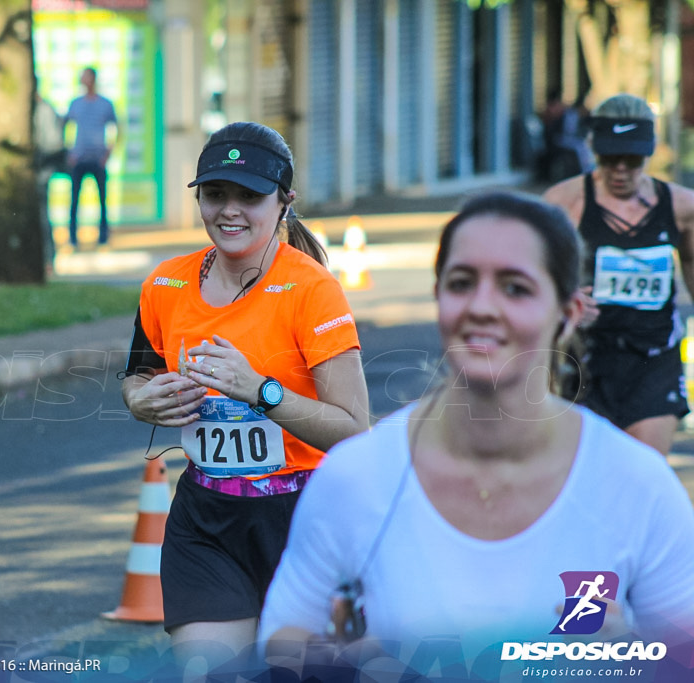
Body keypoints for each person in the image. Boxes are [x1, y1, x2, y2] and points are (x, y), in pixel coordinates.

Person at [259, 192, 694, 680]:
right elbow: (280, 643)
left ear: (569, 313)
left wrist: (630, 659)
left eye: (516, 288)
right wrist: (337, 665)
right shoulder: (356, 475)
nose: (482, 307)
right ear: (439, 297)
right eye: (462, 283)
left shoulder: (637, 485)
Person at [121, 121, 371, 671]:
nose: (229, 210)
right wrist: (141, 401)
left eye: (249, 196)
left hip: (304, 517)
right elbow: (136, 377)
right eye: (215, 194)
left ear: (285, 202)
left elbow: (355, 430)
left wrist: (259, 390)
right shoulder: (164, 285)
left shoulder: (311, 291)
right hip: (206, 521)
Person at [543, 93, 694, 456]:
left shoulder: (682, 207)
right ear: (594, 149)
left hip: (653, 357)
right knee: (588, 475)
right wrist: (568, 303)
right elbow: (533, 281)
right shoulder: (563, 205)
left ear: (650, 151)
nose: (621, 170)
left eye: (632, 159)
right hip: (584, 359)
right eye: (610, 158)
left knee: (643, 470)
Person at [64, 66, 119, 250]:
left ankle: (103, 238)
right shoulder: (75, 104)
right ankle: (72, 239)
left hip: (98, 160)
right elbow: (64, 126)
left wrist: (108, 153)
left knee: (102, 201)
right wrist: (69, 152)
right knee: (74, 201)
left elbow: (117, 128)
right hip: (79, 160)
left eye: (85, 77)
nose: (83, 80)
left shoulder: (105, 104)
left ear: (93, 79)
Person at [33, 86, 65, 272]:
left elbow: (54, 144)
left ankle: (47, 261)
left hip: (40, 171)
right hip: (30, 173)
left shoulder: (44, 110)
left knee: (42, 218)